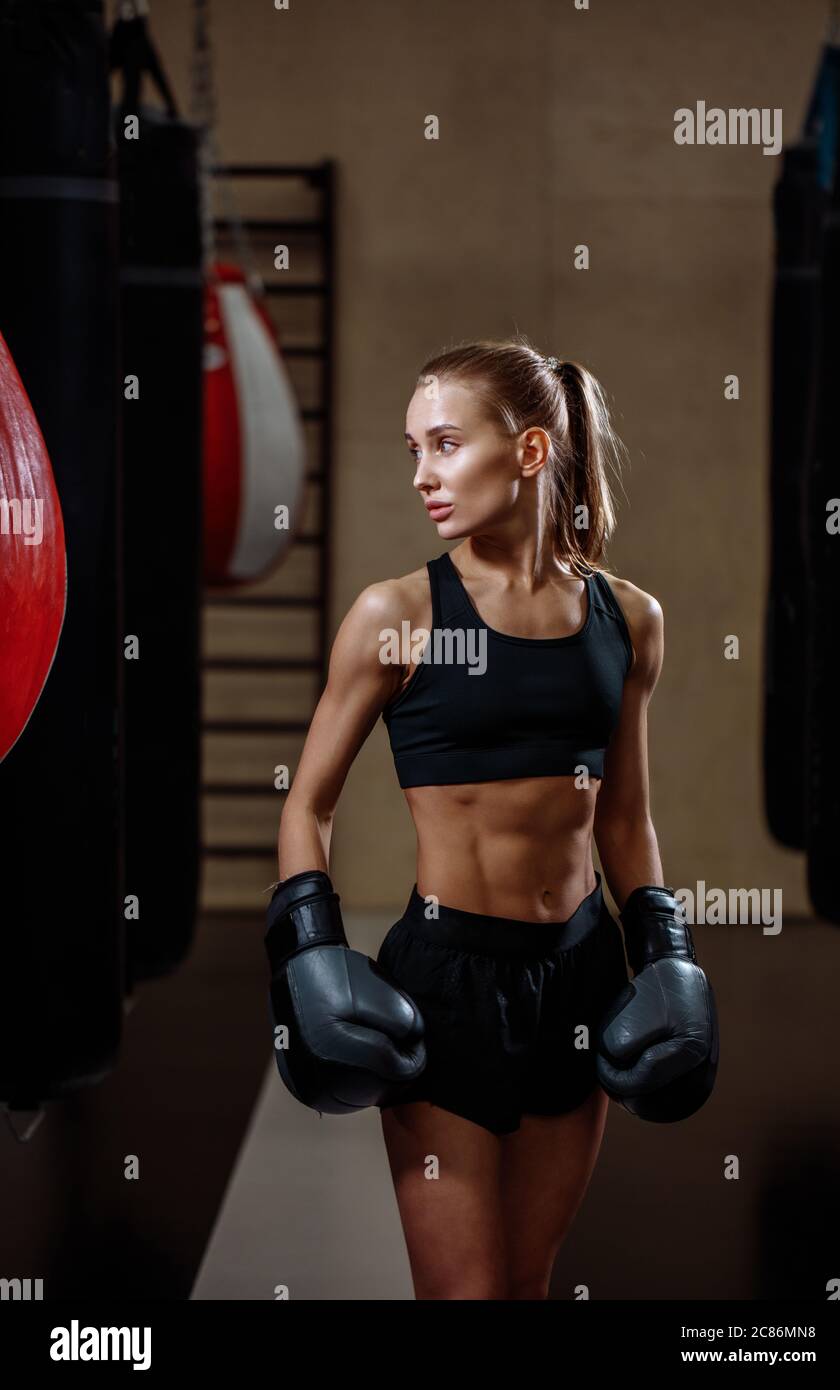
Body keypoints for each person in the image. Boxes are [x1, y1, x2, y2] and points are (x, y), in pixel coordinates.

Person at [265, 336, 718, 1300]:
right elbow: (309, 803)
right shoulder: (397, 615)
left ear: (529, 452)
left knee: (526, 1285)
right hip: (449, 987)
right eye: (412, 450)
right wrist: (307, 950)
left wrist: (666, 950)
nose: (424, 475)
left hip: (583, 979)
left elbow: (625, 818)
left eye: (444, 445)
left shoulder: (628, 618)